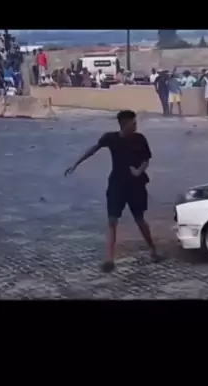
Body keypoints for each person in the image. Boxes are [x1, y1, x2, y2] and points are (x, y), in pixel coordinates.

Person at [65, 110, 160, 273]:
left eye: (135, 123)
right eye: (133, 123)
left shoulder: (140, 139)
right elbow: (93, 149)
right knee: (112, 220)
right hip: (116, 184)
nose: (135, 126)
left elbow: (146, 160)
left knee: (139, 219)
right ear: (124, 124)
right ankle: (109, 259)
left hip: (136, 185)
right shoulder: (111, 138)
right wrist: (75, 164)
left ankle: (153, 249)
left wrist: (138, 171)